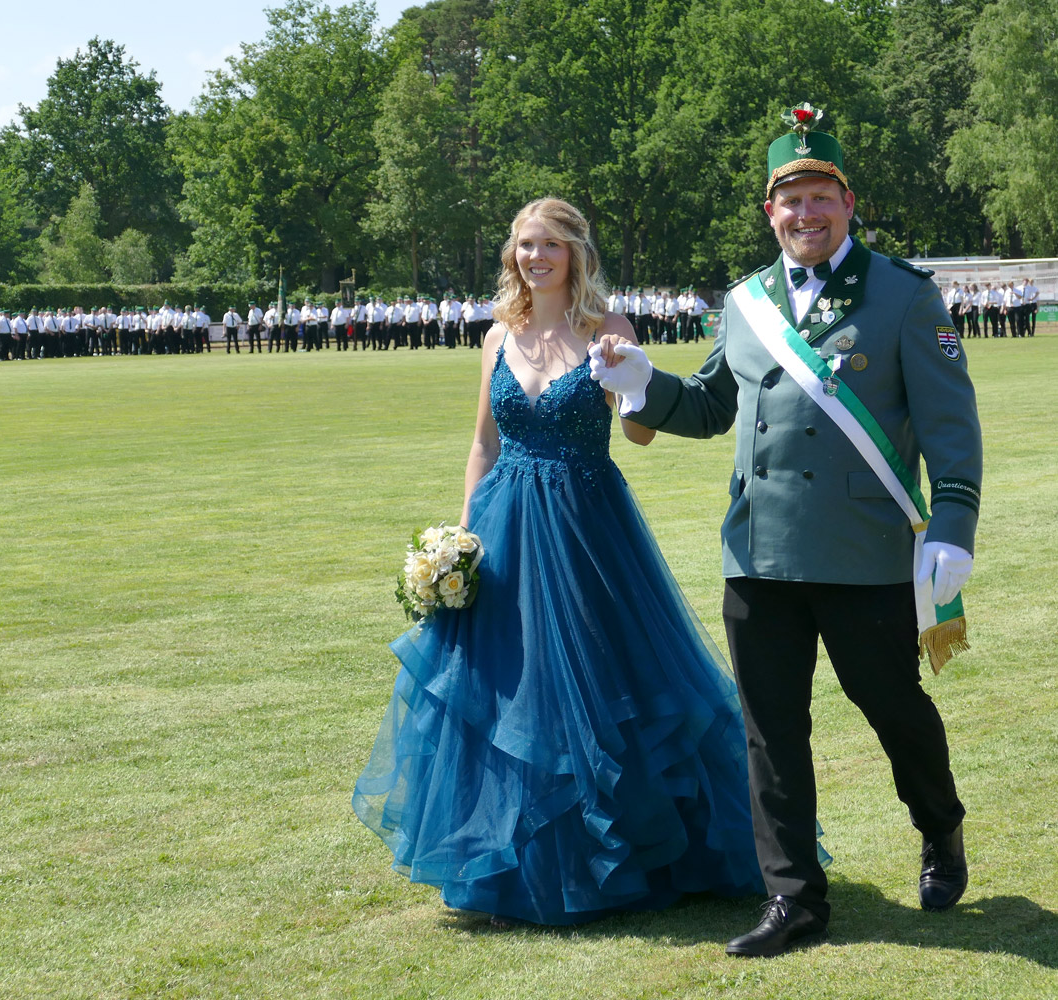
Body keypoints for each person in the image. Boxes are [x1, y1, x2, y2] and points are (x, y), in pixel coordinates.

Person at [591, 103, 982, 957]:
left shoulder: (903, 294)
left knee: (891, 707)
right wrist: (642, 382)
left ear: (848, 204)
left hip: (863, 551)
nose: (805, 214)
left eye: (819, 198)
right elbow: (708, 405)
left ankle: (939, 825)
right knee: (770, 730)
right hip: (757, 551)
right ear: (769, 212)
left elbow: (951, 426)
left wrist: (952, 523)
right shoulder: (744, 303)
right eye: (789, 201)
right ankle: (794, 900)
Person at [353, 197, 771, 928]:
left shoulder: (609, 329)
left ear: (576, 252)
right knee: (506, 689)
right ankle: (512, 864)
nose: (535, 257)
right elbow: (483, 444)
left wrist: (629, 378)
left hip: (585, 528)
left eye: (550, 244)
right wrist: (460, 540)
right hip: (505, 528)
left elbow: (638, 435)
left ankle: (625, 858)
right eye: (524, 244)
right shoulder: (497, 334)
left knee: (602, 679)